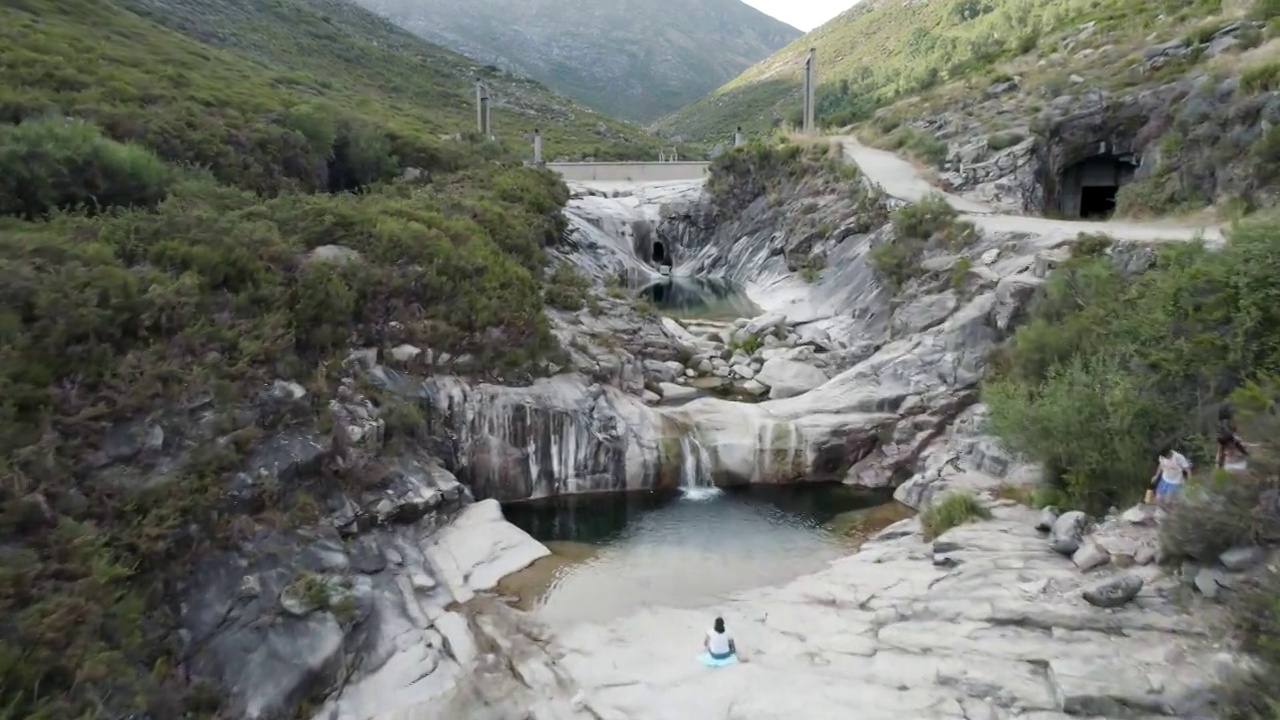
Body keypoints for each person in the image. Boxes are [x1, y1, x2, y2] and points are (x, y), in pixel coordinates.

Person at [1216, 406, 1250, 472]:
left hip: (1236, 463)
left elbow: (1220, 451)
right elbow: (1220, 451)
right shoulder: (1225, 432)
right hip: (1233, 463)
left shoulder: (1225, 431)